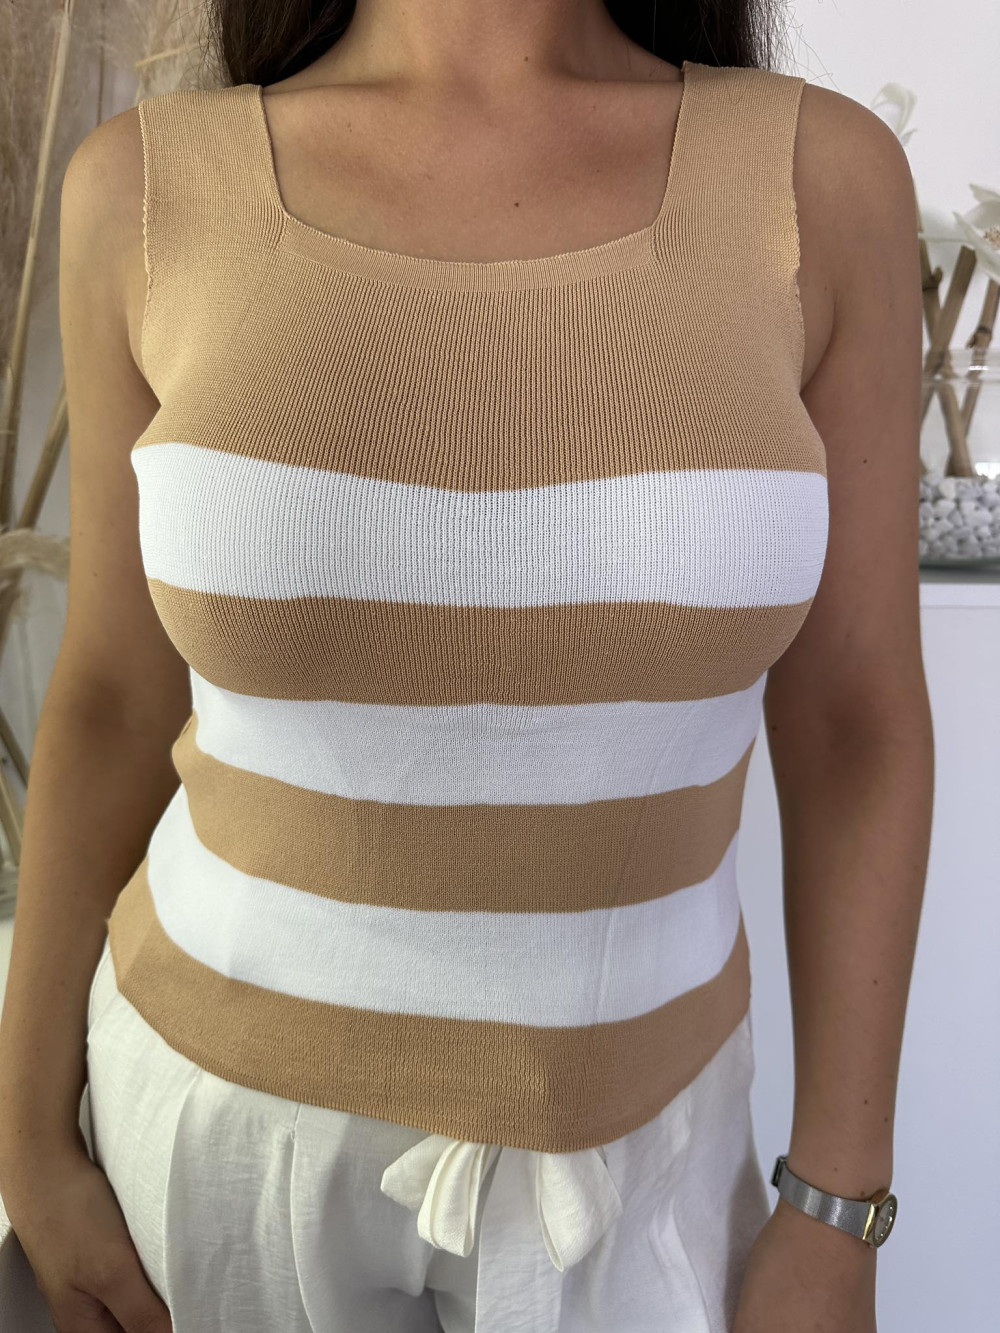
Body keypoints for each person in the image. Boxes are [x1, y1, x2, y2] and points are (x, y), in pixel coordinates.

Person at [0, 0, 933, 1330]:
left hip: (647, 1168)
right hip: (212, 1143)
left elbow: (857, 723)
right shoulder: (146, 188)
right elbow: (107, 696)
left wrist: (841, 1207)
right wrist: (26, 1137)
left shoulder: (817, 183)